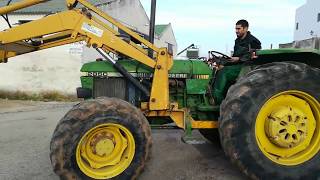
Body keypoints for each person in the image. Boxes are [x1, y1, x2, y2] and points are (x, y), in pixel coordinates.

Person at [212, 19, 261, 105]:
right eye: (236, 29)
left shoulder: (253, 41)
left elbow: (254, 56)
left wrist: (238, 59)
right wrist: (223, 61)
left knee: (224, 72)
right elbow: (235, 56)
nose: (236, 31)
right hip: (237, 65)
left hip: (247, 67)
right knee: (217, 70)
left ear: (245, 29)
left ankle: (218, 100)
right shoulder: (237, 40)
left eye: (239, 29)